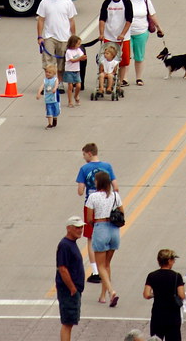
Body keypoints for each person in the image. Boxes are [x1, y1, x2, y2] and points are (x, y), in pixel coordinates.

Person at [76, 144, 117, 284]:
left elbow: (80, 191)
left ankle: (95, 271)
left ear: (89, 153)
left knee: (90, 238)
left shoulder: (84, 169)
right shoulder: (108, 166)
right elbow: (116, 187)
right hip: (107, 206)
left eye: (83, 154)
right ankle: (105, 267)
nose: (83, 157)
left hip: (91, 206)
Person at [84, 170, 124, 307]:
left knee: (100, 265)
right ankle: (103, 295)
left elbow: (89, 218)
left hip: (100, 228)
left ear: (98, 182)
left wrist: (95, 225)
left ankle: (111, 292)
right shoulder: (115, 196)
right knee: (107, 265)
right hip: (114, 230)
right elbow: (122, 212)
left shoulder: (93, 197)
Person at [36, 0, 77, 84]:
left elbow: (71, 21)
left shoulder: (68, 2)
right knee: (48, 62)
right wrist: (40, 36)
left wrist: (74, 37)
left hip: (64, 37)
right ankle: (49, 82)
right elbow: (41, 20)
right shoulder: (45, 2)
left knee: (61, 63)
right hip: (49, 36)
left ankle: (60, 83)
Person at [143, 249, 186, 341]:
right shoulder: (176, 276)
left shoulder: (152, 275)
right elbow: (182, 295)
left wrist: (155, 294)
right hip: (173, 315)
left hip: (157, 314)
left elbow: (146, 294)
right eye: (173, 260)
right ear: (169, 261)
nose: (174, 262)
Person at [128, 0, 164, 86]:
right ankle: (124, 78)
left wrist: (159, 28)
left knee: (139, 56)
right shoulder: (126, 0)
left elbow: (152, 15)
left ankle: (138, 78)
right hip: (127, 32)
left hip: (141, 31)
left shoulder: (146, 1)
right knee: (126, 57)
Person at [56, 216, 86, 341]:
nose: (80, 230)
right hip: (68, 291)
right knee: (67, 323)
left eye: (81, 227)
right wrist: (72, 288)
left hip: (74, 290)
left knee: (70, 322)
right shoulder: (65, 245)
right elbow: (62, 268)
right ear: (69, 228)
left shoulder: (71, 244)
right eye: (77, 228)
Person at [98, 0, 133, 87]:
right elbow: (102, 19)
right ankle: (107, 78)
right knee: (107, 58)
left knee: (124, 60)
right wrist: (101, 33)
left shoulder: (126, 2)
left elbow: (129, 20)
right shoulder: (106, 3)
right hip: (109, 36)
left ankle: (120, 81)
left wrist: (122, 34)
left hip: (123, 37)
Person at [63, 34, 85, 107]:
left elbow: (82, 55)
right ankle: (70, 101)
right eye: (78, 43)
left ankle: (76, 96)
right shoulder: (69, 51)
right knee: (70, 86)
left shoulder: (78, 50)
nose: (79, 45)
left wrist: (83, 57)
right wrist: (80, 59)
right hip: (69, 70)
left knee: (78, 85)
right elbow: (72, 60)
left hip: (76, 70)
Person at [37, 61, 60, 128]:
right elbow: (42, 86)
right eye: (46, 72)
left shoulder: (55, 79)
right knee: (49, 111)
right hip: (48, 99)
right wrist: (39, 93)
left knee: (56, 110)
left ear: (54, 73)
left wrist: (55, 89)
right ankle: (50, 123)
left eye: (49, 72)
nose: (47, 74)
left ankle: (55, 118)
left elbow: (56, 84)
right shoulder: (45, 80)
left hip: (54, 98)